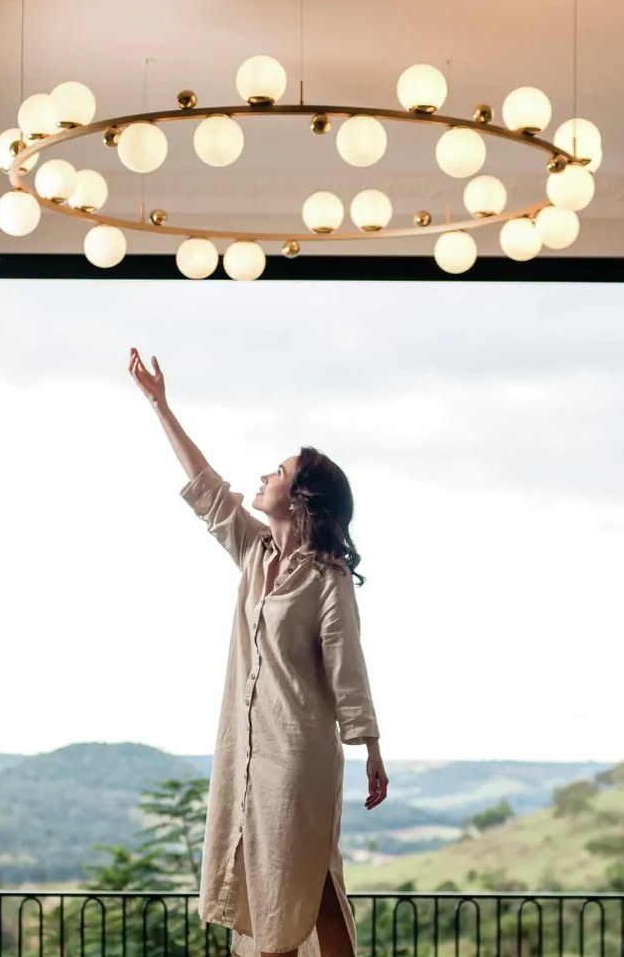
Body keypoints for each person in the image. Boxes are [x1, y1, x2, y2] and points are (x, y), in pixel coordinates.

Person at [129, 347, 388, 957]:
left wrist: (371, 745)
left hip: (298, 757)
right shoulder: (254, 553)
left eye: (278, 471)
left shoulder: (327, 578)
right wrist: (161, 406)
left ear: (299, 499)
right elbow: (206, 489)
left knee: (290, 886)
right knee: (307, 889)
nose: (265, 477)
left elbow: (347, 667)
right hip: (248, 750)